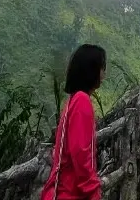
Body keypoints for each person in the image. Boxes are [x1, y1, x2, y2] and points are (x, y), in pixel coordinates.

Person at [41, 44, 107, 200]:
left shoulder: (74, 100)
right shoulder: (82, 101)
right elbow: (80, 153)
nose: (104, 74)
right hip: (69, 194)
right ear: (92, 70)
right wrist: (92, 191)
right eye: (102, 68)